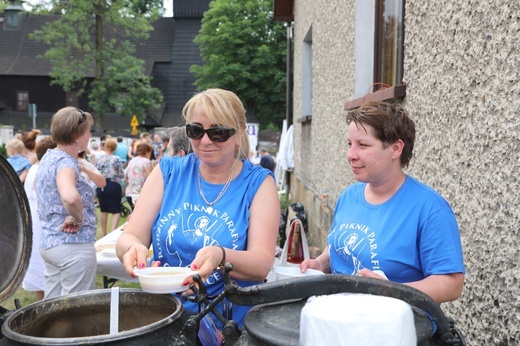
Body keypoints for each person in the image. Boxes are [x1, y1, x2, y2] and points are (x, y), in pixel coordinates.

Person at [116, 88, 280, 332]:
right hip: (165, 315)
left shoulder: (258, 183)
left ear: (239, 134)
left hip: (226, 324)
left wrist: (221, 256)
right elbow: (130, 236)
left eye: (218, 132)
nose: (205, 141)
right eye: (196, 130)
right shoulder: (169, 171)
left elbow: (261, 263)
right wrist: (132, 248)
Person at [300, 101, 465, 305]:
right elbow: (339, 248)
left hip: (395, 330)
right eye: (349, 144)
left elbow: (452, 284)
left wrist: (392, 291)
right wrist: (320, 263)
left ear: (395, 149)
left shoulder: (430, 209)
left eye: (363, 145)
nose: (351, 155)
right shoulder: (348, 196)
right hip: (340, 322)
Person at [35, 107, 98, 298]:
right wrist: (78, 218)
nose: (89, 135)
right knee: (76, 310)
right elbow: (70, 196)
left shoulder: (50, 157)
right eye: (88, 131)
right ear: (76, 135)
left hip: (50, 242)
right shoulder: (66, 163)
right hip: (72, 246)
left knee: (53, 306)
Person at [22, 136, 57, 301]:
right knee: (43, 267)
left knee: (38, 267)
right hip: (42, 223)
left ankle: (41, 301)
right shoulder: (44, 170)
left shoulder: (33, 169)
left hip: (33, 223)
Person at [95, 138, 125, 237]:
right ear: (115, 148)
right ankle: (112, 232)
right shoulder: (116, 159)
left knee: (104, 210)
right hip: (114, 185)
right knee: (116, 210)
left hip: (101, 185)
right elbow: (121, 174)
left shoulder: (99, 158)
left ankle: (103, 233)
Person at [124, 142, 153, 210]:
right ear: (147, 152)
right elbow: (151, 177)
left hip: (129, 191)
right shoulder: (147, 162)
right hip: (140, 192)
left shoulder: (132, 160)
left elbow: (125, 174)